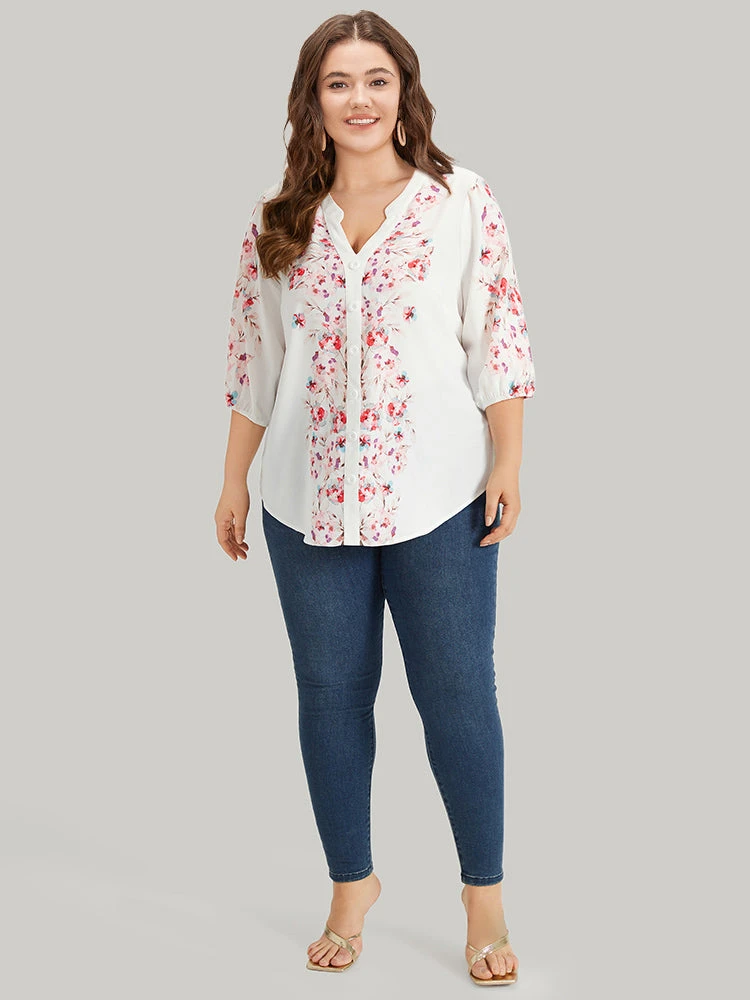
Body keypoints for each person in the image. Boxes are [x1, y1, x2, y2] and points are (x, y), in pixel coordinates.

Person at [214, 10, 535, 986]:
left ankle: (484, 895)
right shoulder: (278, 221)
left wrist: (509, 461)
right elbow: (256, 362)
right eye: (338, 82)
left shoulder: (459, 201)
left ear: (404, 92)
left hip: (439, 495)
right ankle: (352, 884)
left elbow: (499, 335)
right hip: (304, 499)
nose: (359, 98)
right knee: (329, 694)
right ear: (312, 101)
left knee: (457, 694)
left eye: (376, 79)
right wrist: (231, 481)